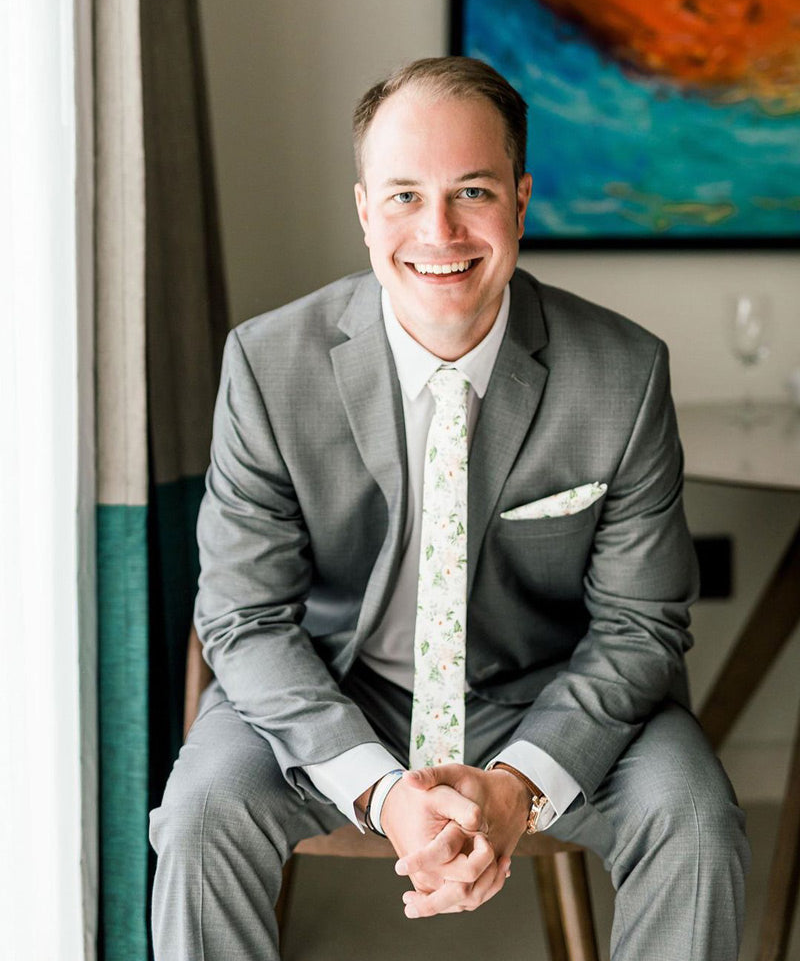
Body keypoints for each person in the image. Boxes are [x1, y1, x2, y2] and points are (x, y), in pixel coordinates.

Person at [150, 56, 749, 960]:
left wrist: (518, 786)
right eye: (402, 196)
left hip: (548, 697)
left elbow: (639, 627)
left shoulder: (622, 375)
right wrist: (386, 793)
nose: (437, 230)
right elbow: (242, 617)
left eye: (471, 190)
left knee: (695, 816)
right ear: (363, 210)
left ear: (520, 198)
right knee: (199, 814)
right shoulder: (269, 368)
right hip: (330, 690)